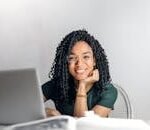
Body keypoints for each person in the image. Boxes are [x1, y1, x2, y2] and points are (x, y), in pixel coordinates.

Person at [42, 29, 118, 118]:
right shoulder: (57, 85)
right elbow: (25, 105)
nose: (79, 64)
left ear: (94, 61)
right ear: (66, 62)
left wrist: (82, 85)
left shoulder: (107, 91)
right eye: (72, 58)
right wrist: (44, 112)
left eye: (86, 57)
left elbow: (84, 126)